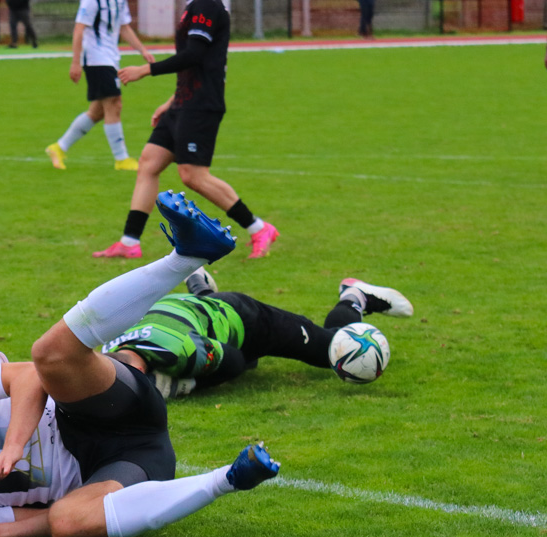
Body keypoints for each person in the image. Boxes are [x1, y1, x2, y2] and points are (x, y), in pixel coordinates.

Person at [0, 191, 280, 537]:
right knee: (68, 523)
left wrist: (12, 448)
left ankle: (185, 259)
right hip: (122, 469)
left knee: (48, 354)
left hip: (100, 409)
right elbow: (46, 520)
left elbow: (28, 376)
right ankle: (229, 478)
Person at [94, 0, 278, 260]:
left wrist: (146, 70)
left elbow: (195, 55)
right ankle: (129, 241)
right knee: (149, 163)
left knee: (193, 175)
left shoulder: (207, 6)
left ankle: (259, 228)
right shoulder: (194, 6)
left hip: (202, 106)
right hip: (183, 103)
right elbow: (196, 66)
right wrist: (171, 102)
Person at [103, 269, 413, 398]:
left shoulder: (180, 351)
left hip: (246, 319)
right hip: (183, 312)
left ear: (142, 368)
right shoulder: (106, 351)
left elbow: (234, 362)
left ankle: (354, 295)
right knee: (235, 353)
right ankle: (200, 287)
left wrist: (178, 386)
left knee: (329, 349)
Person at [45, 0, 154, 172]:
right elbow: (79, 29)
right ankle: (121, 159)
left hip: (111, 58)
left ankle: (58, 148)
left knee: (97, 111)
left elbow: (123, 27)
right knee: (114, 102)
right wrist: (76, 62)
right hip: (95, 58)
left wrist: (143, 50)